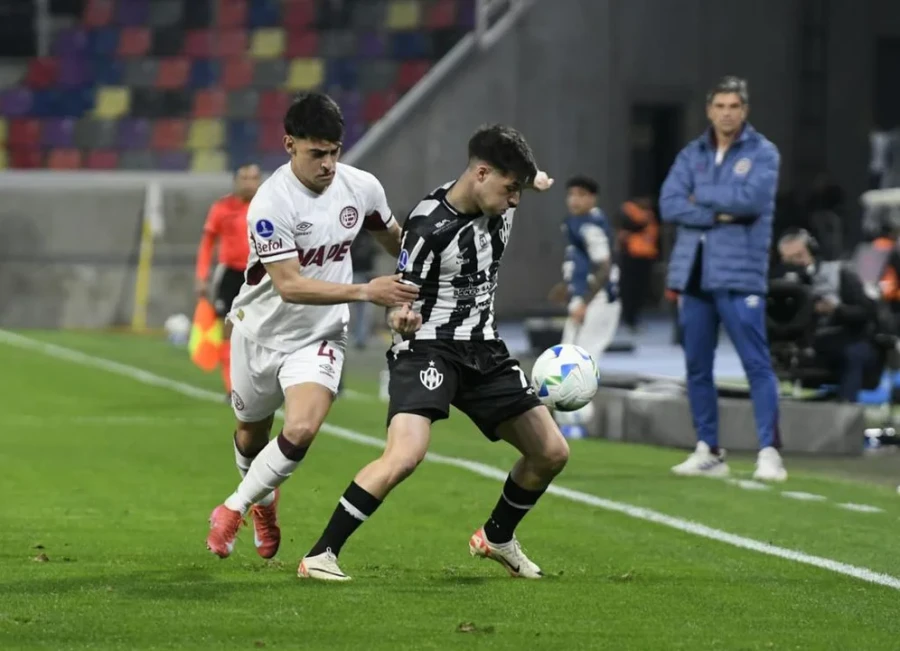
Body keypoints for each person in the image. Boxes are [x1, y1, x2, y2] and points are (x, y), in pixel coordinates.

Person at [297, 125, 563, 581]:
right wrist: (400, 317)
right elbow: (402, 299)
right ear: (480, 173)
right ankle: (321, 555)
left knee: (551, 452)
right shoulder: (426, 226)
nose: (514, 200)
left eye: (519, 188)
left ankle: (497, 536)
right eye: (510, 189)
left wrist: (535, 179)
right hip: (427, 349)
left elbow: (523, 176)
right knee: (405, 456)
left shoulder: (502, 189)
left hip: (484, 348)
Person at [205, 92, 420, 560]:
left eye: (335, 151)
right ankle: (262, 503)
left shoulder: (361, 188)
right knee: (250, 434)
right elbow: (290, 285)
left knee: (301, 429)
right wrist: (368, 292)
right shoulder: (270, 204)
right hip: (258, 331)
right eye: (316, 153)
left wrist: (417, 280)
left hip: (320, 333)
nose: (328, 164)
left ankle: (233, 508)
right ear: (289, 145)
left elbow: (397, 243)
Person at [659, 75, 787, 482]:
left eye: (734, 106)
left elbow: (751, 201)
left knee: (756, 364)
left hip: (740, 274)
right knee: (697, 366)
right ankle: (709, 450)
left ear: (744, 111)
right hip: (694, 272)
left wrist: (701, 200)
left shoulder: (764, 153)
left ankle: (769, 452)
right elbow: (670, 204)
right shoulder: (692, 153)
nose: (727, 113)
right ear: (709, 110)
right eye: (720, 106)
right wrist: (719, 212)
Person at [777, 229, 879, 401]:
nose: (795, 263)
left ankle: (846, 406)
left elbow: (866, 312)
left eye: (799, 256)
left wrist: (836, 310)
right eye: (789, 259)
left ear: (812, 251)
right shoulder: (783, 283)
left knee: (853, 353)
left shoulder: (840, 273)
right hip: (807, 342)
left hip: (846, 338)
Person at [194, 163, 262, 397]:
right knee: (228, 329)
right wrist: (202, 275)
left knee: (261, 331)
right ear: (236, 181)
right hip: (231, 275)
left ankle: (260, 383)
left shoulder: (268, 206)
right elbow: (207, 243)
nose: (249, 183)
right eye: (244, 177)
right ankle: (231, 387)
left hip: (260, 274)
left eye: (253, 178)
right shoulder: (222, 208)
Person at [558, 175, 621, 359]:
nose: (574, 200)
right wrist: (569, 286)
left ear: (593, 198)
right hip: (584, 296)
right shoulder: (574, 222)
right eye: (571, 194)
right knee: (566, 356)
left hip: (599, 298)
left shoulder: (591, 226)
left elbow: (605, 267)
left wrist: (585, 302)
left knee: (583, 359)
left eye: (581, 194)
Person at [617, 197, 659, 333]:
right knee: (629, 288)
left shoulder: (650, 214)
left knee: (641, 288)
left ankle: (634, 318)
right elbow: (632, 226)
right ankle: (628, 318)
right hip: (631, 255)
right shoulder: (628, 211)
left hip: (646, 256)